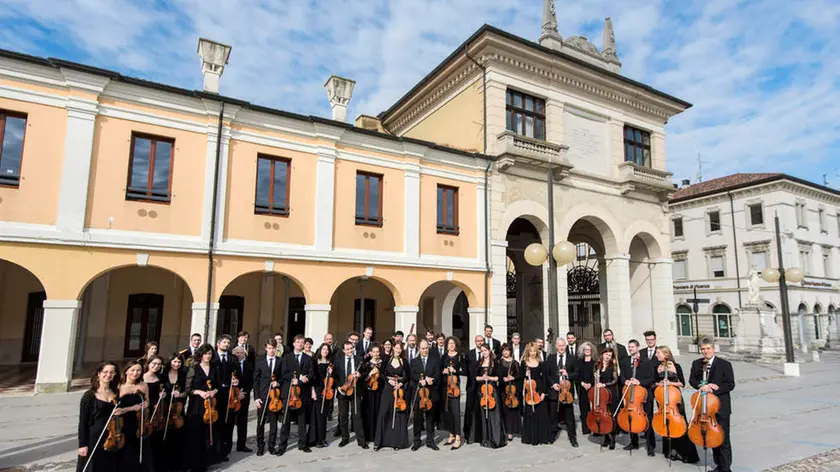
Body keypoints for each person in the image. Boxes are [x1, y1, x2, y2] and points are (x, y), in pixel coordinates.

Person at [689, 338, 735, 472]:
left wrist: (715, 388)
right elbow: (692, 380)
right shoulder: (696, 363)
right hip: (705, 408)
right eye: (703, 349)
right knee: (712, 438)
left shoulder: (725, 364)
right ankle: (718, 466)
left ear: (714, 349)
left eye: (708, 348)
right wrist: (701, 385)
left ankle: (726, 468)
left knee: (724, 438)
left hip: (721, 407)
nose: (705, 351)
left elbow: (730, 384)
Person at [655, 346, 700, 464]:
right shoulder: (657, 367)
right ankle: (670, 451)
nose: (656, 355)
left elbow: (682, 383)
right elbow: (654, 382)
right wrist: (658, 383)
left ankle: (686, 453)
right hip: (662, 399)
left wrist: (670, 382)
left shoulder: (676, 366)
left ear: (666, 354)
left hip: (675, 400)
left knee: (680, 424)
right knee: (666, 424)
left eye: (658, 353)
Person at [77, 361, 119, 472]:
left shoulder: (116, 393)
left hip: (111, 436)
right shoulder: (89, 396)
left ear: (115, 374)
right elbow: (83, 422)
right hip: (93, 438)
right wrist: (82, 444)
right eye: (105, 372)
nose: (108, 375)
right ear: (99, 374)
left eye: (111, 372)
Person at [276, 334, 314, 455]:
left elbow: (311, 373)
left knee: (302, 420)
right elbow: (283, 373)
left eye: (302, 342)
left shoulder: (308, 359)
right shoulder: (286, 358)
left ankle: (302, 444)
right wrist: (294, 379)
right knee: (286, 420)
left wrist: (304, 379)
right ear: (293, 343)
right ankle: (282, 445)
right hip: (289, 392)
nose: (300, 344)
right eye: (297, 342)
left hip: (302, 393)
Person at [185, 344, 221, 471]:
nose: (207, 356)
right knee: (196, 434)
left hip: (210, 404)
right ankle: (194, 464)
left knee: (208, 434)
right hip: (197, 404)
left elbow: (218, 386)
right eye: (205, 353)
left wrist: (213, 392)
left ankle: (205, 462)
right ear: (200, 355)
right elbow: (188, 389)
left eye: (210, 354)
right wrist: (200, 392)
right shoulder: (194, 368)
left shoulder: (214, 368)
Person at [116, 360, 153, 471]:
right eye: (132, 370)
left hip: (138, 421)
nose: (135, 373)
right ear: (126, 371)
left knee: (139, 448)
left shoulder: (143, 385)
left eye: (138, 370)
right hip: (124, 421)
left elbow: (147, 402)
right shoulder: (119, 386)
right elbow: (117, 407)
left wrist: (142, 405)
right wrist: (130, 408)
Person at [374, 340, 411, 451]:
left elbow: (407, 376)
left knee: (398, 414)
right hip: (388, 388)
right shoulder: (386, 360)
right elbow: (380, 374)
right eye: (397, 348)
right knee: (384, 412)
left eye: (400, 348)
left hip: (399, 390)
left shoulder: (404, 361)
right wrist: (388, 381)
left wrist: (400, 383)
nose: (398, 350)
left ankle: (397, 442)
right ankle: (380, 442)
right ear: (393, 348)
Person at [468, 343, 506, 449]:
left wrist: (489, 378)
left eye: (485, 350)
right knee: (481, 413)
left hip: (492, 390)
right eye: (482, 351)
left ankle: (494, 437)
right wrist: (481, 378)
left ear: (489, 351)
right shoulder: (479, 363)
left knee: (494, 413)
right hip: (482, 391)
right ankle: (483, 437)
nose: (484, 352)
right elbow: (474, 377)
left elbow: (499, 377)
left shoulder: (496, 363)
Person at [619, 339, 654, 454]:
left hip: (644, 395)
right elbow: (622, 376)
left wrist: (640, 382)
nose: (630, 349)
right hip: (631, 395)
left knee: (647, 420)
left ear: (637, 347)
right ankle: (633, 442)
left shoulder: (646, 361)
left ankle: (650, 446)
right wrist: (625, 381)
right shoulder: (625, 361)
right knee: (631, 418)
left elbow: (651, 378)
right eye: (629, 347)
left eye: (632, 347)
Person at [546, 338, 578, 447]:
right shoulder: (550, 358)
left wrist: (567, 374)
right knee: (553, 415)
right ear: (556, 346)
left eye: (563, 345)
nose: (561, 347)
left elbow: (577, 374)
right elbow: (548, 374)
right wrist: (552, 384)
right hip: (555, 391)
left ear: (566, 346)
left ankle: (572, 437)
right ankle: (552, 434)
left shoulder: (572, 358)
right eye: (559, 345)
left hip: (567, 392)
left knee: (569, 416)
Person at [253, 339, 282, 456]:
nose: (271, 350)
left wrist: (278, 383)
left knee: (274, 423)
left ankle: (271, 445)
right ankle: (260, 445)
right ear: (266, 348)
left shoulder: (280, 361)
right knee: (260, 423)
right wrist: (256, 397)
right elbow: (256, 381)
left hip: (275, 397)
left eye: (273, 348)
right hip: (263, 396)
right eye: (269, 348)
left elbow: (284, 377)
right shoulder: (260, 362)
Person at [410, 339, 440, 451]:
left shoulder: (435, 360)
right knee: (417, 419)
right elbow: (412, 375)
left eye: (426, 348)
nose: (425, 350)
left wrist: (429, 381)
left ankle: (430, 441)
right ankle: (416, 441)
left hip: (431, 393)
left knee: (430, 419)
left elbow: (437, 375)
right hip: (419, 394)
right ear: (419, 349)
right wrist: (420, 379)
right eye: (422, 348)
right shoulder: (414, 361)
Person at [336, 340, 366, 448]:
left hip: (355, 391)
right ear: (343, 350)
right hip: (343, 391)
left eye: (351, 348)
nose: (349, 351)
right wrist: (338, 387)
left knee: (357, 415)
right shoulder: (338, 360)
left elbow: (365, 373)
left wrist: (360, 374)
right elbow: (334, 376)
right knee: (343, 416)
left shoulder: (359, 359)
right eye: (347, 349)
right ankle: (345, 438)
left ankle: (361, 440)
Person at [520, 342, 550, 445]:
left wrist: (543, 393)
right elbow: (520, 377)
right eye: (531, 351)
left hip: (539, 389)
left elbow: (544, 378)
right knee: (530, 414)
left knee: (541, 414)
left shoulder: (540, 363)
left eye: (534, 351)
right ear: (527, 351)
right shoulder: (524, 363)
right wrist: (525, 374)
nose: (532, 353)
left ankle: (541, 437)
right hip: (529, 390)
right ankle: (531, 437)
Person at [162, 354, 188, 471]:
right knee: (164, 436)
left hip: (178, 409)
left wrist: (180, 394)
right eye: (174, 361)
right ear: (170, 362)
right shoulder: (163, 374)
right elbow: (160, 388)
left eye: (179, 362)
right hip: (164, 408)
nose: (176, 364)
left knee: (178, 436)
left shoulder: (183, 375)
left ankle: (177, 464)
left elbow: (187, 391)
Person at [213, 334, 237, 460]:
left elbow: (237, 374)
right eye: (224, 342)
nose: (226, 345)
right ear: (218, 344)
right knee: (216, 422)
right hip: (216, 394)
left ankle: (225, 450)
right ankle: (214, 449)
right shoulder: (212, 358)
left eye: (228, 343)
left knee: (228, 422)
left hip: (229, 395)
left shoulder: (233, 359)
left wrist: (236, 381)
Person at [142, 355, 166, 472]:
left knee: (155, 437)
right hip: (145, 410)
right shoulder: (142, 377)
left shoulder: (159, 377)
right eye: (154, 364)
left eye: (159, 364)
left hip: (157, 410)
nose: (156, 366)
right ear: (149, 363)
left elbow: (162, 392)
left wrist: (163, 395)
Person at [308, 343, 334, 449]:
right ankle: (315, 439)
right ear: (320, 350)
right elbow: (312, 378)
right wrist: (313, 391)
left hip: (327, 390)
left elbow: (332, 379)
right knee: (317, 415)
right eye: (324, 349)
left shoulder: (330, 363)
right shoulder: (314, 362)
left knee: (324, 416)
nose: (325, 351)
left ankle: (322, 438)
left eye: (327, 349)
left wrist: (331, 373)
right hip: (318, 389)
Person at [441, 336, 465, 450]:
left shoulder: (459, 356)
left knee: (455, 411)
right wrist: (444, 370)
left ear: (456, 345)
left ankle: (458, 437)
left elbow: (464, 370)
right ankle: (451, 434)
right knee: (448, 411)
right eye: (449, 343)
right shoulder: (444, 356)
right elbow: (440, 368)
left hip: (455, 387)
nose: (451, 345)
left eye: (453, 343)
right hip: (446, 386)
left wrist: (455, 370)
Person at [594, 347, 620, 450]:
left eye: (610, 355)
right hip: (601, 394)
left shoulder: (612, 366)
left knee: (611, 416)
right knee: (603, 416)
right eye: (606, 354)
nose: (608, 357)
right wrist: (596, 378)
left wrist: (604, 384)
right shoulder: (597, 365)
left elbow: (615, 380)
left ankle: (612, 439)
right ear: (602, 354)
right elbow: (595, 378)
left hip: (611, 392)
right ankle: (605, 438)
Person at [231, 346, 253, 453]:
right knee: (230, 422)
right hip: (233, 397)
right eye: (237, 353)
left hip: (244, 396)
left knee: (242, 422)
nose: (240, 354)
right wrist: (237, 393)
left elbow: (251, 381)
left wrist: (245, 393)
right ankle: (227, 445)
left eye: (242, 353)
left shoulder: (249, 365)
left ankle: (241, 445)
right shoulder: (231, 364)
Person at [498, 344, 521, 441]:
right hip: (503, 389)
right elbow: (496, 374)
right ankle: (504, 430)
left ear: (510, 351)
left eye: (507, 350)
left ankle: (510, 431)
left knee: (512, 411)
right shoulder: (498, 362)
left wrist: (513, 377)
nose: (505, 352)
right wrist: (503, 378)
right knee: (503, 411)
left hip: (512, 390)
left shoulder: (514, 362)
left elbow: (520, 375)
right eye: (503, 350)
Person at [463, 335, 484, 439]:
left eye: (481, 341)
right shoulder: (469, 353)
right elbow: (466, 369)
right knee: (469, 408)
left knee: (481, 408)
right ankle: (467, 432)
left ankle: (480, 432)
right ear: (475, 342)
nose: (479, 343)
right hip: (471, 385)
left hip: (482, 386)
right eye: (478, 341)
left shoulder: (486, 354)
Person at [362, 344, 384, 443]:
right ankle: (369, 435)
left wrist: (380, 374)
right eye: (374, 352)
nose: (376, 354)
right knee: (369, 412)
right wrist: (370, 374)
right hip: (369, 391)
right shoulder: (366, 364)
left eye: (377, 352)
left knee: (378, 411)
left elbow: (385, 378)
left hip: (379, 391)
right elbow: (364, 379)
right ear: (370, 353)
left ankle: (377, 435)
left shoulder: (382, 363)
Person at [576, 342, 597, 434]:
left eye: (589, 349)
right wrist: (583, 383)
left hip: (593, 388)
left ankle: (596, 429)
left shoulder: (595, 363)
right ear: (583, 351)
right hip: (583, 388)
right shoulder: (579, 362)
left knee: (594, 409)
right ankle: (586, 429)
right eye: (586, 349)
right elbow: (577, 375)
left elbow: (596, 375)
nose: (587, 351)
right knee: (584, 409)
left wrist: (590, 384)